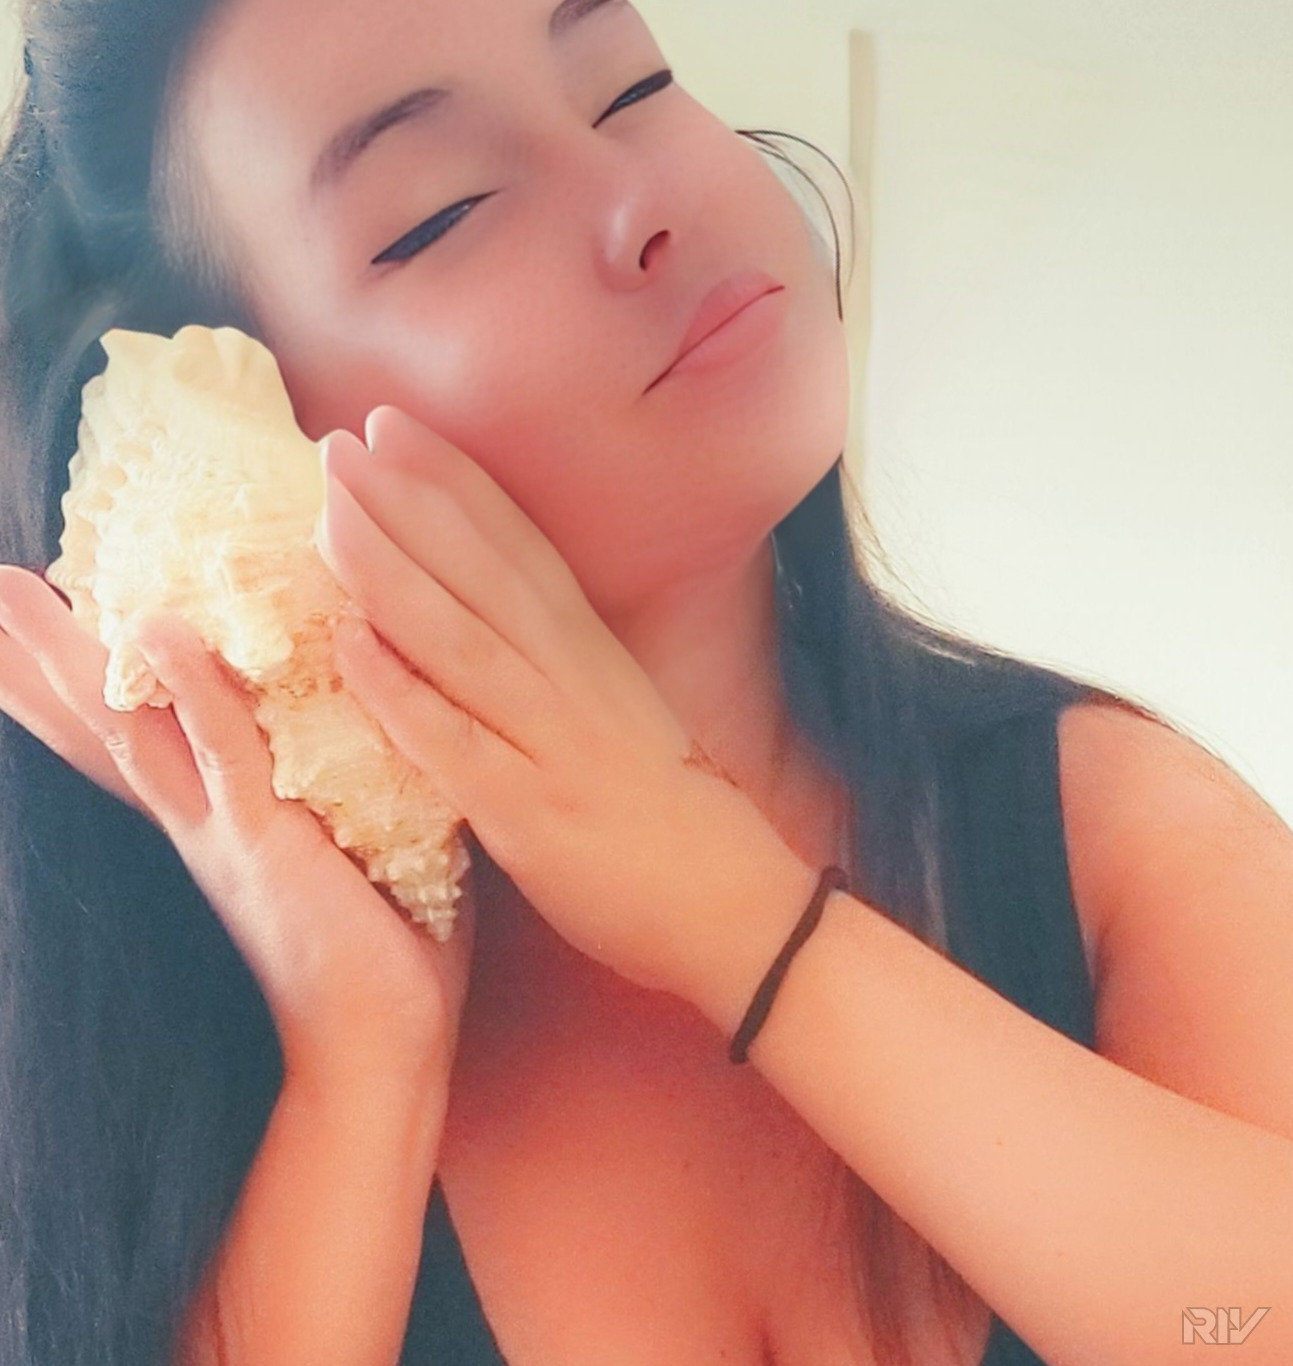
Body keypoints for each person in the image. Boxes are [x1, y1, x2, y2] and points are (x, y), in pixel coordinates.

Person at [1, 0, 1291, 1363]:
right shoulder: (171, 1079)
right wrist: (359, 1059)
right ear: (224, 434)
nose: (645, 199)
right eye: (443, 210)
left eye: (628, 83)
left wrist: (726, 904)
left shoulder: (1107, 823)